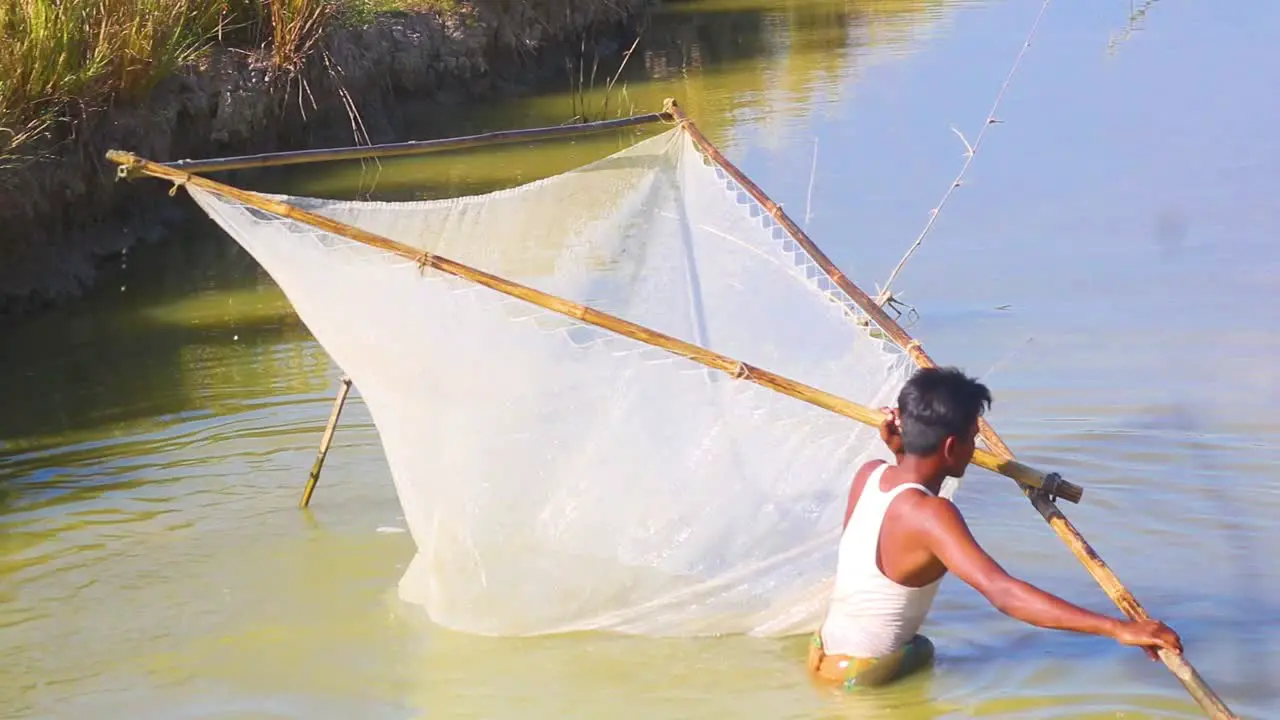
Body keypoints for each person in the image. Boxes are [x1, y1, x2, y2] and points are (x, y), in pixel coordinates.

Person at [807, 366, 1183, 690]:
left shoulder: (870, 474)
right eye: (972, 438)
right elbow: (1004, 593)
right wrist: (1118, 629)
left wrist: (899, 454)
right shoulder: (933, 515)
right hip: (866, 679)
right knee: (921, 651)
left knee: (920, 649)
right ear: (952, 446)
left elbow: (891, 531)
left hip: (823, 657)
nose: (974, 449)